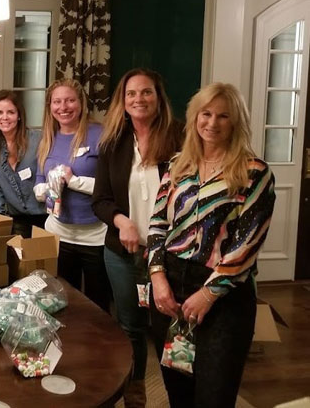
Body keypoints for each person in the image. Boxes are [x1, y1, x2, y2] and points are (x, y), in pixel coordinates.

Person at [148, 83, 275, 408]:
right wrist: (158, 278)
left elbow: (247, 245)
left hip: (223, 297)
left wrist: (208, 294)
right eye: (206, 113)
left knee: (214, 394)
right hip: (170, 291)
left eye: (223, 116)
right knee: (178, 390)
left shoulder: (254, 173)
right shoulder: (178, 165)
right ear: (195, 117)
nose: (213, 123)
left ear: (236, 122)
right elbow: (158, 224)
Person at [92, 68, 182, 407]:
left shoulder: (180, 139)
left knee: (165, 329)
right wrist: (121, 221)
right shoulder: (113, 143)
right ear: (122, 100)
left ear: (159, 98)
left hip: (170, 254)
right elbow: (99, 199)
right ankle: (136, 395)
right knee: (130, 327)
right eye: (131, 94)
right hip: (122, 252)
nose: (138, 99)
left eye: (146, 92)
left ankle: (177, 394)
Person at [33, 78, 110, 311]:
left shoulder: (100, 134)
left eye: (69, 100)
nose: (63, 107)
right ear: (49, 106)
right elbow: (38, 185)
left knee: (98, 305)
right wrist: (49, 187)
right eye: (57, 102)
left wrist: (73, 181)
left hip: (95, 236)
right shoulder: (47, 138)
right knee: (62, 302)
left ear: (81, 103)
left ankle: (99, 348)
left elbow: (111, 187)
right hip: (58, 233)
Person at [0, 90, 46, 238]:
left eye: (10, 112)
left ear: (19, 116)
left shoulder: (38, 140)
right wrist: (0, 223)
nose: (4, 117)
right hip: (16, 219)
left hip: (44, 217)